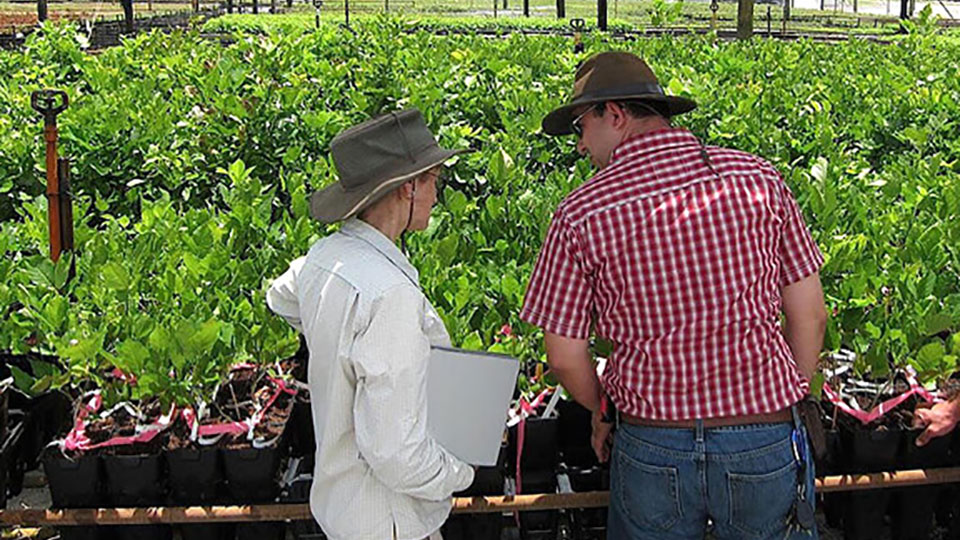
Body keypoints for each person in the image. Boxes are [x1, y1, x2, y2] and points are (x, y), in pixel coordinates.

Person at [519, 51, 827, 539]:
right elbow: (809, 314)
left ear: (615, 115)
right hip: (763, 434)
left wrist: (603, 409)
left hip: (652, 443)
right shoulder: (759, 180)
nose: (580, 145)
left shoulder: (580, 213)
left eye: (581, 125)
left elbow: (562, 355)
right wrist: (794, 397)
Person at [266, 109, 474, 540]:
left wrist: (333, 337)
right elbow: (395, 453)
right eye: (434, 178)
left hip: (344, 511)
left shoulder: (323, 258)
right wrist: (460, 472)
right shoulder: (388, 294)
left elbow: (279, 296)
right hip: (388, 521)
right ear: (408, 187)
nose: (437, 193)